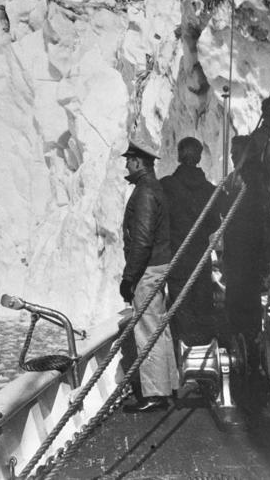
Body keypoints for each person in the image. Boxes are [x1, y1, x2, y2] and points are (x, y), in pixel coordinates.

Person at [118, 140, 179, 412]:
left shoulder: (144, 193)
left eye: (129, 160)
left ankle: (154, 394)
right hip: (159, 265)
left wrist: (129, 278)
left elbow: (141, 241)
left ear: (138, 163)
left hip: (148, 268)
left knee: (147, 329)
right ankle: (168, 386)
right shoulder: (155, 188)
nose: (126, 165)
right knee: (159, 327)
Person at [160, 137, 221, 345]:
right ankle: (204, 350)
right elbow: (214, 224)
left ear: (178, 155)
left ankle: (183, 354)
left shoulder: (167, 186)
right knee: (202, 301)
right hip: (200, 257)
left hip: (176, 257)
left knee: (180, 305)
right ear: (199, 157)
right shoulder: (209, 191)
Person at [220, 135, 270, 358]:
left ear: (247, 153)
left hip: (248, 252)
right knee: (241, 299)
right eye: (231, 152)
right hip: (240, 252)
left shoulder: (252, 178)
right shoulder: (238, 178)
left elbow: (254, 214)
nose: (232, 156)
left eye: (235, 152)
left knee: (243, 301)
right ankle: (245, 346)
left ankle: (247, 349)